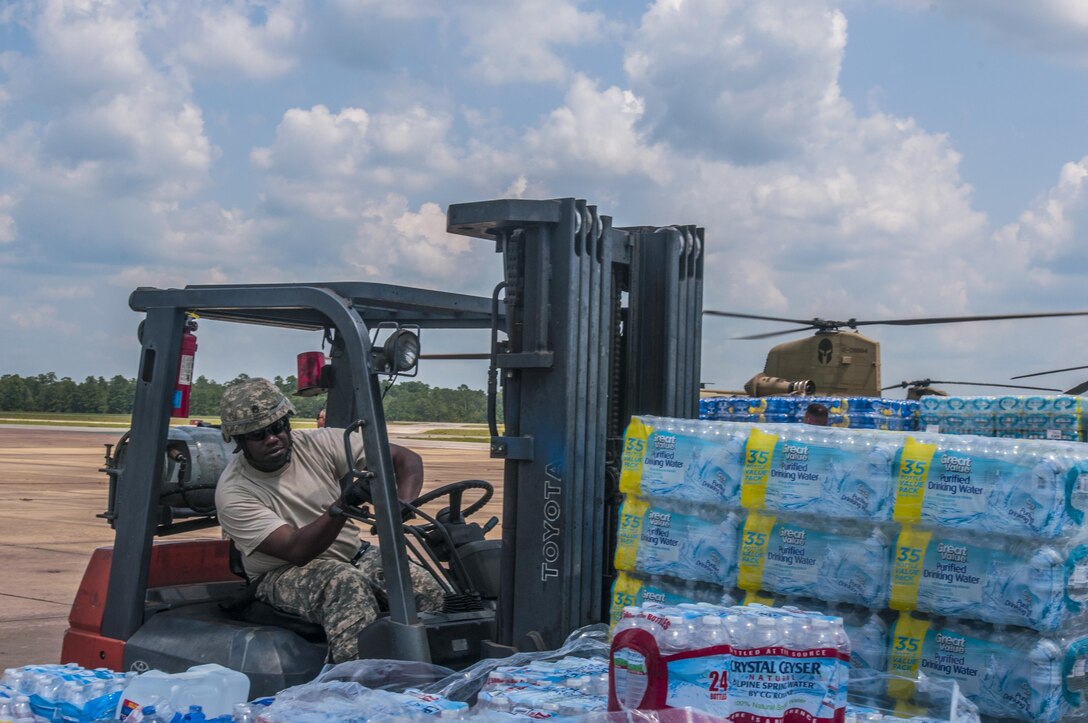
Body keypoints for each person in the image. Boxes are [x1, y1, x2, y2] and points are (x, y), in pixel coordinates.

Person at [214, 378, 444, 662]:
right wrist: (344, 503)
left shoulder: (316, 443)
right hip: (281, 573)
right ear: (239, 442)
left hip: (351, 555)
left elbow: (404, 459)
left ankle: (434, 675)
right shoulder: (235, 491)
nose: (272, 438)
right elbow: (298, 550)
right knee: (345, 584)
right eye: (258, 435)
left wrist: (402, 505)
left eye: (277, 428)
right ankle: (355, 682)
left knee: (427, 588)